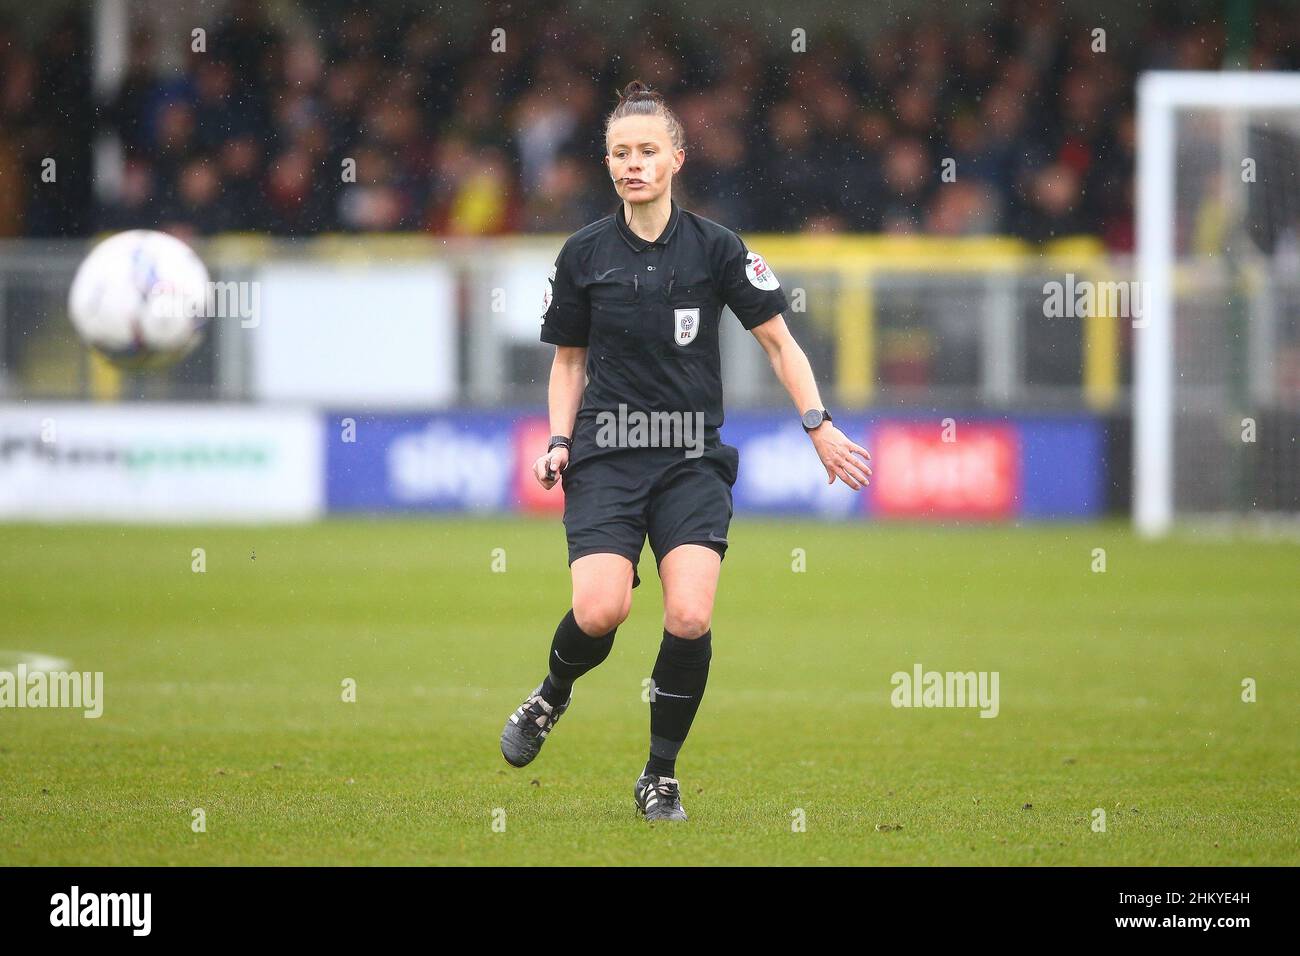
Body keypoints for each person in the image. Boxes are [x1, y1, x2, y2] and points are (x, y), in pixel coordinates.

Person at [500, 80, 872, 821]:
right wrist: (560, 441)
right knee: (601, 610)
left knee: (690, 618)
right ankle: (551, 695)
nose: (631, 164)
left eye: (645, 151)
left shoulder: (718, 248)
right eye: (618, 153)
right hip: (606, 455)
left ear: (676, 157)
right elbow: (568, 363)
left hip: (690, 458)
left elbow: (778, 341)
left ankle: (659, 776)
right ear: (607, 163)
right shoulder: (582, 254)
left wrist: (818, 423)